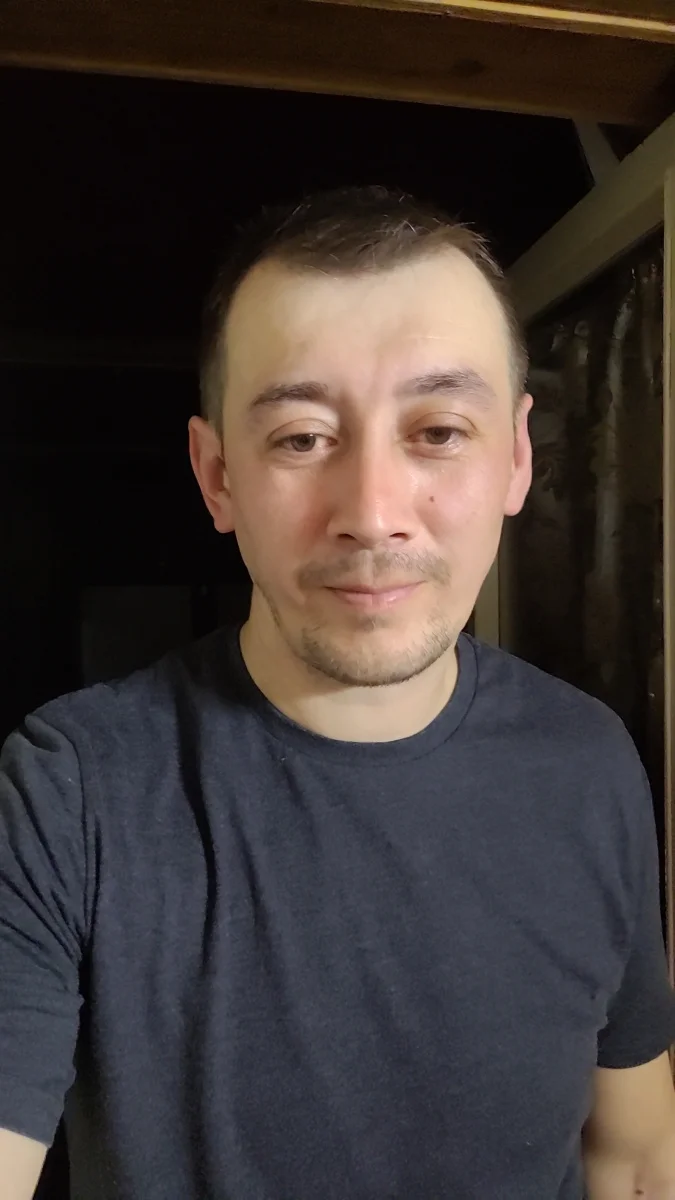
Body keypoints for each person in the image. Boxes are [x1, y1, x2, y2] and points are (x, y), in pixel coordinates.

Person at [1, 186, 675, 1200]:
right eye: (302, 437)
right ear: (217, 476)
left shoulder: (590, 762)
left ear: (516, 458)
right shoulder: (70, 794)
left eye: (438, 430)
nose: (371, 511)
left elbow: (633, 1158)